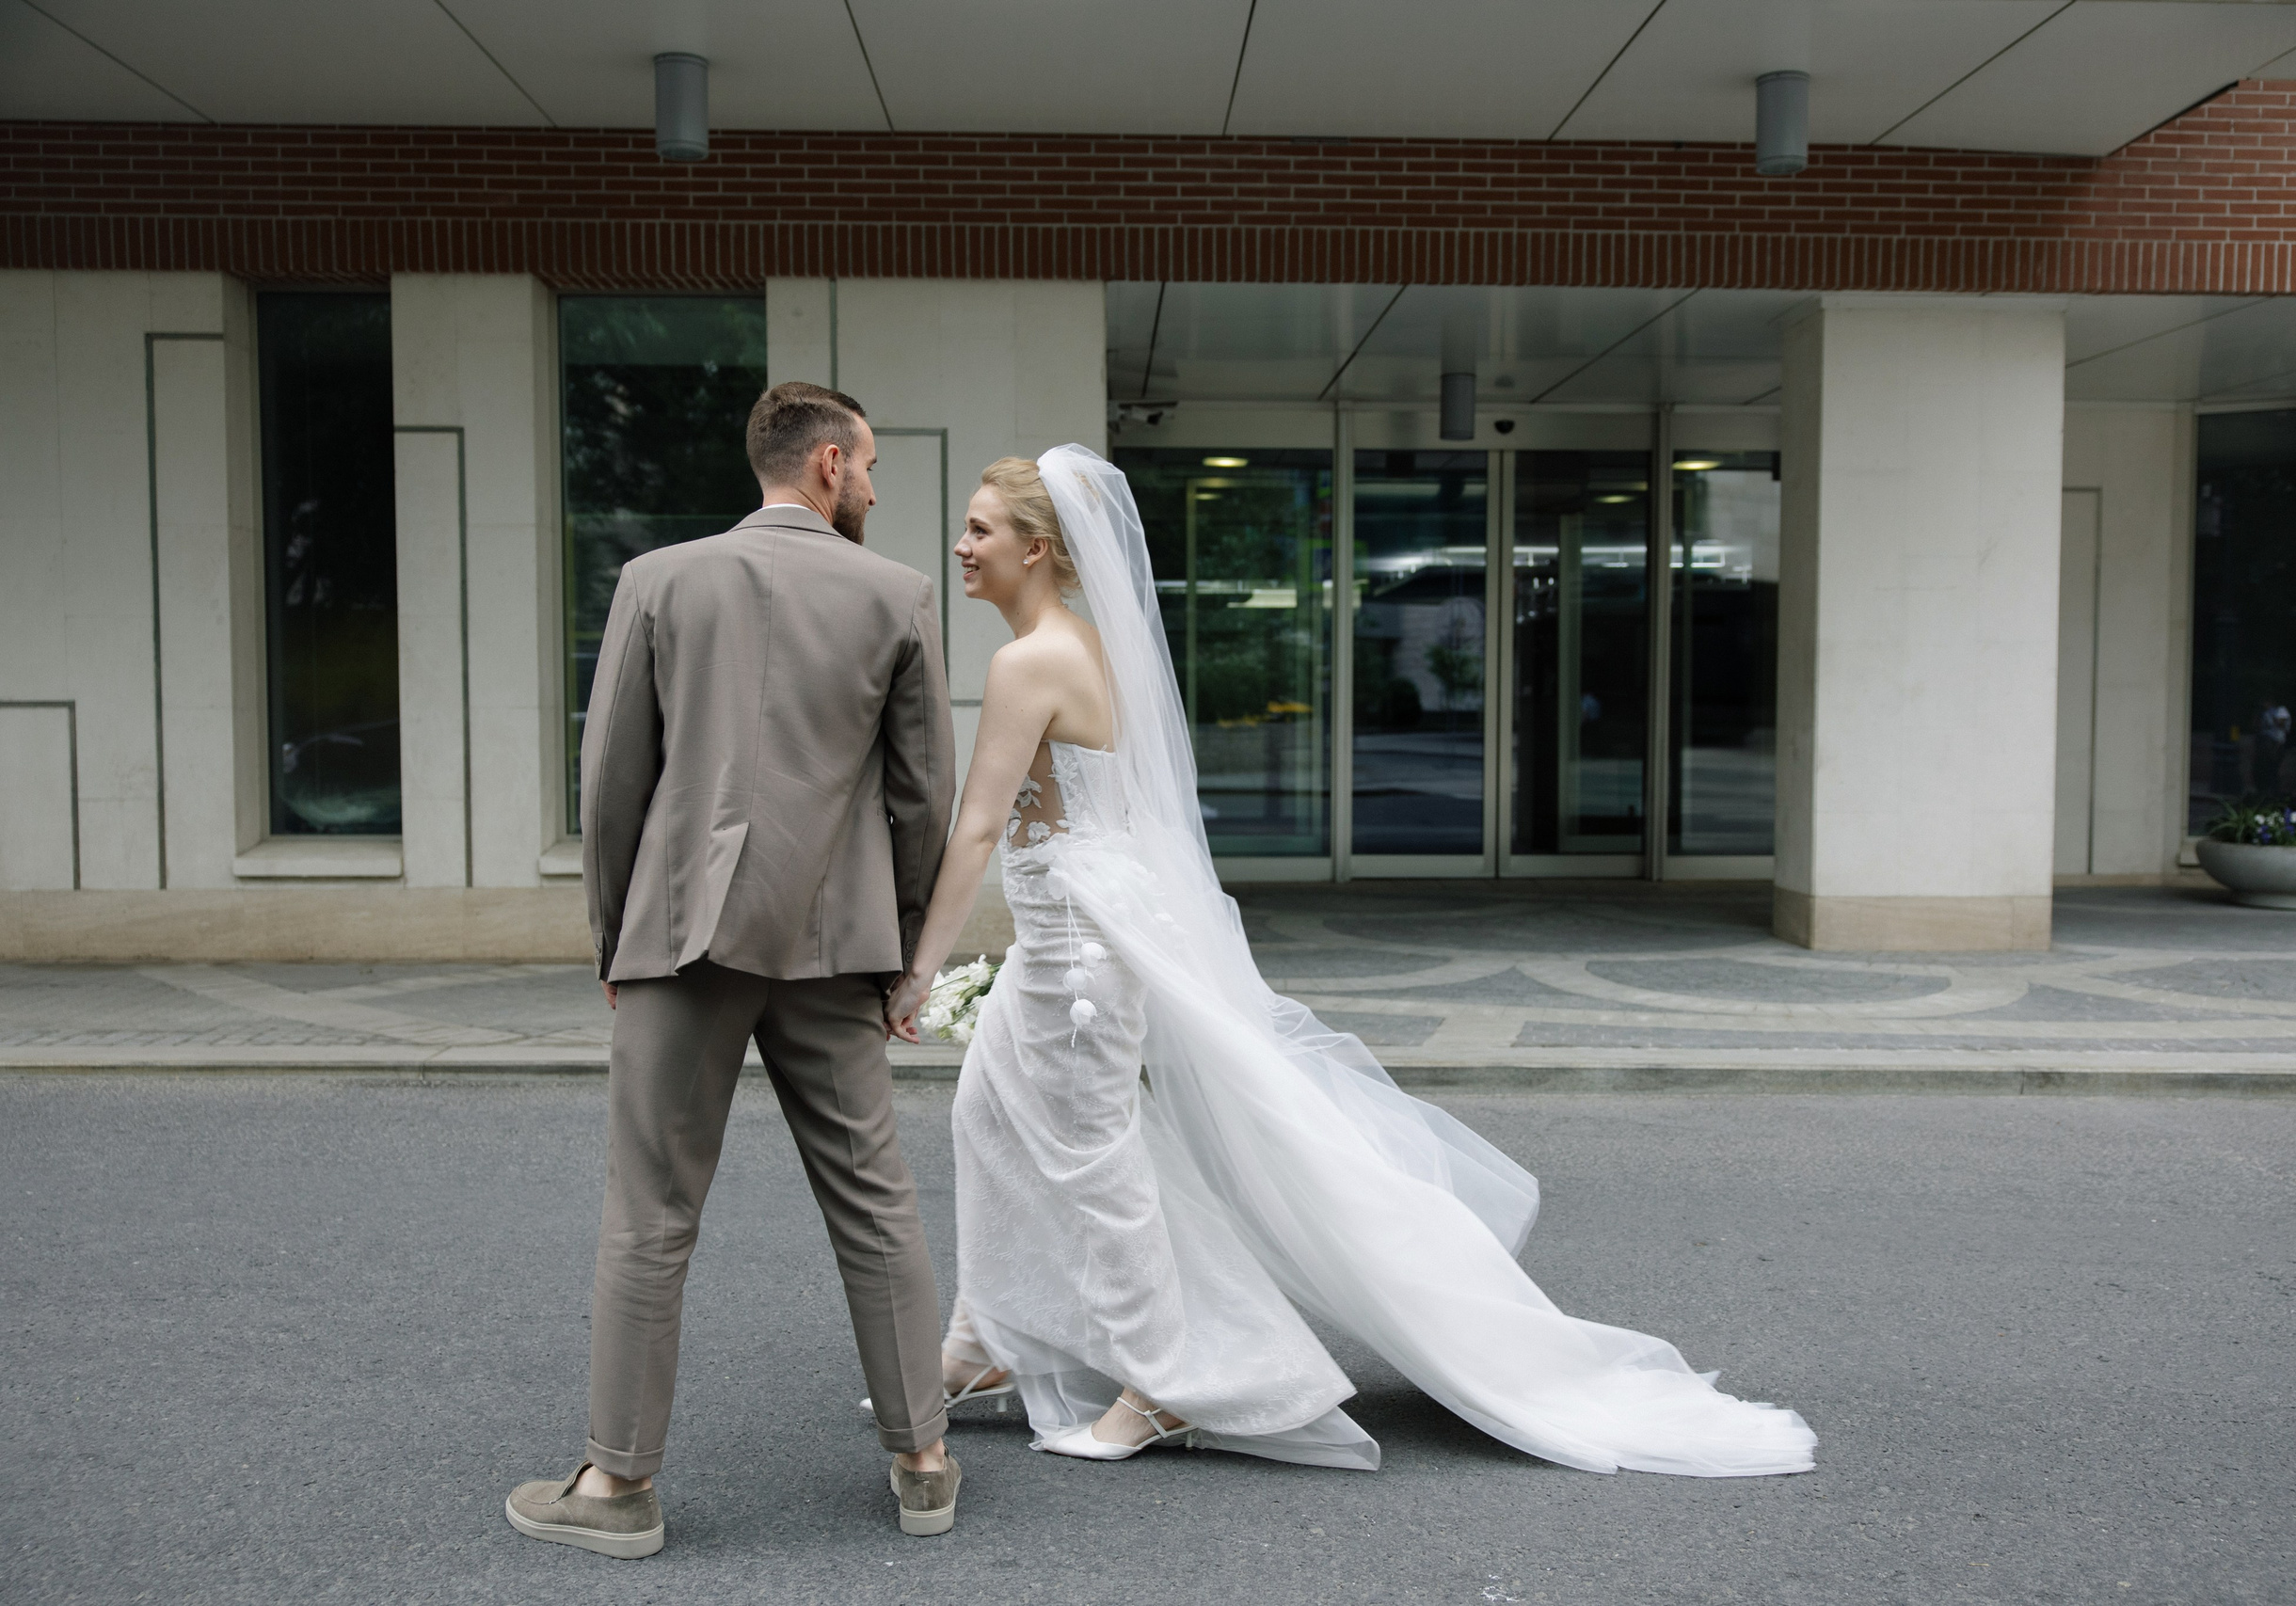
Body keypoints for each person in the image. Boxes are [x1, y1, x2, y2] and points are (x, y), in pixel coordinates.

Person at [885, 447, 1817, 1477]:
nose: (962, 546)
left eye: (979, 529)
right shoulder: (1089, 646)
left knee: (1100, 1168)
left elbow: (977, 829)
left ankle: (1168, 1383)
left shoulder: (1030, 661)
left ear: (1038, 547)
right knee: (988, 1119)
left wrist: (921, 968)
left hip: (1077, 959)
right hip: (1068, 941)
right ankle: (983, 1344)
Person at [506, 382, 963, 1556]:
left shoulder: (659, 581)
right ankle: (922, 1461)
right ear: (823, 464)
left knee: (649, 1213)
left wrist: (616, 937)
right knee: (874, 1200)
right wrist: (904, 955)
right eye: (865, 465)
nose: (871, 484)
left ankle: (617, 1491)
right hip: (834, 939)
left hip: (684, 934)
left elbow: (613, 778)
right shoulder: (897, 593)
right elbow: (922, 801)